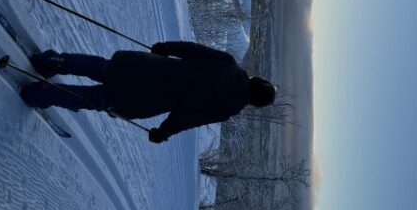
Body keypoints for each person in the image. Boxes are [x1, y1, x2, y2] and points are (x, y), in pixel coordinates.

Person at [19, 41, 276, 143]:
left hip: (153, 69)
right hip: (150, 99)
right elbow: (185, 118)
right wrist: (162, 133)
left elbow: (192, 50)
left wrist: (165, 48)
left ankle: (52, 62)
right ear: (252, 102)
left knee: (102, 68)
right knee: (96, 98)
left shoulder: (227, 63)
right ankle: (42, 94)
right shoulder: (224, 110)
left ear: (255, 81)